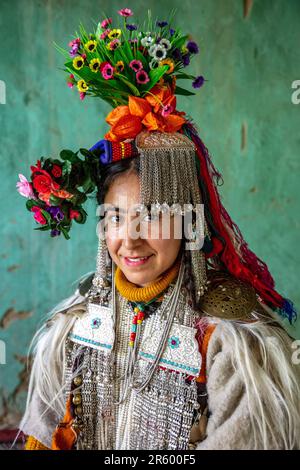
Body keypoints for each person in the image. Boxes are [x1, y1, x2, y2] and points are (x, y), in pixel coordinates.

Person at [16, 9, 300, 450]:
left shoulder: (228, 339)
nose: (129, 239)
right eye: (114, 218)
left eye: (151, 216)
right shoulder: (73, 327)